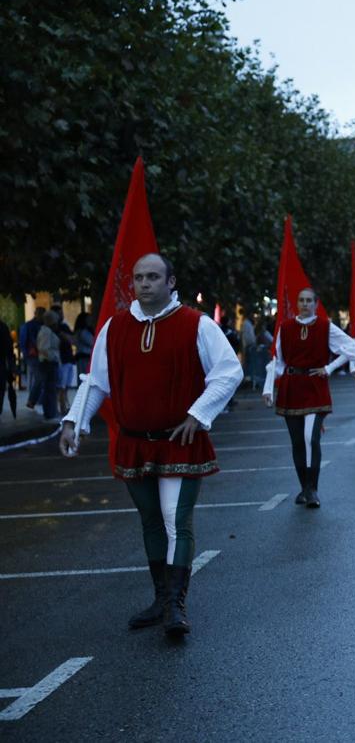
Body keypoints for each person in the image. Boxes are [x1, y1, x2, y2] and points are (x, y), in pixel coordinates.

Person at [60, 254, 242, 636]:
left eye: (154, 277)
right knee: (151, 521)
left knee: (176, 519)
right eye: (140, 277)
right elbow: (97, 381)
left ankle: (176, 603)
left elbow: (229, 371)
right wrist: (74, 421)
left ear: (170, 282)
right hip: (135, 443)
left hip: (178, 441)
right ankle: (160, 598)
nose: (145, 283)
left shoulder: (197, 324)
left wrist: (198, 413)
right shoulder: (115, 327)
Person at [263, 288, 355, 508]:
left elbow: (354, 350)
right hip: (291, 386)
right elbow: (277, 362)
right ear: (297, 303)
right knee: (297, 441)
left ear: (316, 304)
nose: (305, 304)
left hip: (315, 387)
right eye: (301, 300)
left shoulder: (326, 327)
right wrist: (267, 389)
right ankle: (303, 488)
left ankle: (312, 489)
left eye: (309, 301)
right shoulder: (285, 327)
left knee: (310, 437)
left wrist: (329, 367)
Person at [35, 310, 61, 421]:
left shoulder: (47, 331)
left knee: (50, 388)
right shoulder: (46, 332)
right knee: (49, 389)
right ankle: (50, 413)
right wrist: (52, 357)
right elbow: (43, 348)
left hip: (49, 362)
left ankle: (51, 412)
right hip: (48, 363)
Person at [19, 306, 44, 410]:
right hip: (33, 356)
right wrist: (26, 355)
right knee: (38, 378)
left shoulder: (38, 325)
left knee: (38, 378)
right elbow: (24, 342)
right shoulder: (29, 326)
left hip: (38, 355)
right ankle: (32, 400)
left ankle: (35, 400)